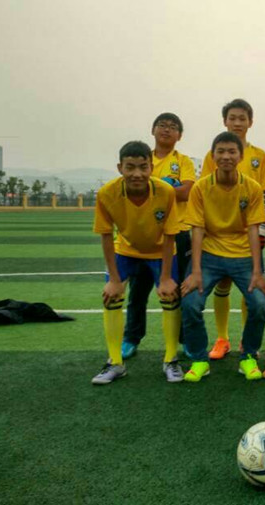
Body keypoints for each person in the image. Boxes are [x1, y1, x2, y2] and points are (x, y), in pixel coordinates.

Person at [91, 141, 182, 385]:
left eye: (143, 167)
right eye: (130, 167)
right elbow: (106, 235)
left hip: (160, 251)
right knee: (111, 296)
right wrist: (113, 279)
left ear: (151, 167)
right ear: (120, 167)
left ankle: (171, 359)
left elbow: (170, 235)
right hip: (126, 250)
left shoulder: (165, 191)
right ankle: (115, 362)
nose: (137, 174)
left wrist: (165, 278)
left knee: (170, 295)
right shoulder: (107, 193)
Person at [181, 132, 265, 382]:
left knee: (259, 304)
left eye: (232, 151)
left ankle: (248, 356)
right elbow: (197, 229)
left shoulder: (252, 187)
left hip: (243, 255)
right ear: (213, 156)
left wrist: (257, 271)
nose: (226, 156)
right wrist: (195, 271)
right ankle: (200, 359)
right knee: (190, 302)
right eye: (221, 151)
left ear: (240, 156)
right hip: (209, 254)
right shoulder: (201, 187)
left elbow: (253, 229)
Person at [200, 99, 265, 360]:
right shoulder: (214, 155)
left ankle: (247, 339)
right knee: (222, 285)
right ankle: (222, 339)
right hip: (218, 236)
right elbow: (204, 193)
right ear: (225, 121)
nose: (237, 122)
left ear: (250, 122)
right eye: (232, 118)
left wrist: (262, 229)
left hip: (249, 236)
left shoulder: (260, 156)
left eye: (242, 118)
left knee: (250, 287)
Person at [121, 113, 196, 359]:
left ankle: (185, 339)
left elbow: (187, 192)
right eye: (162, 125)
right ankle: (131, 338)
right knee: (138, 292)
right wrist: (167, 187)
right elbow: (134, 187)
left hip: (178, 232)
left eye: (173, 127)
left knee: (179, 290)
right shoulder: (142, 158)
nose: (167, 130)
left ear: (179, 136)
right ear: (153, 130)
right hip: (145, 233)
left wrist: (156, 187)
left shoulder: (183, 161)